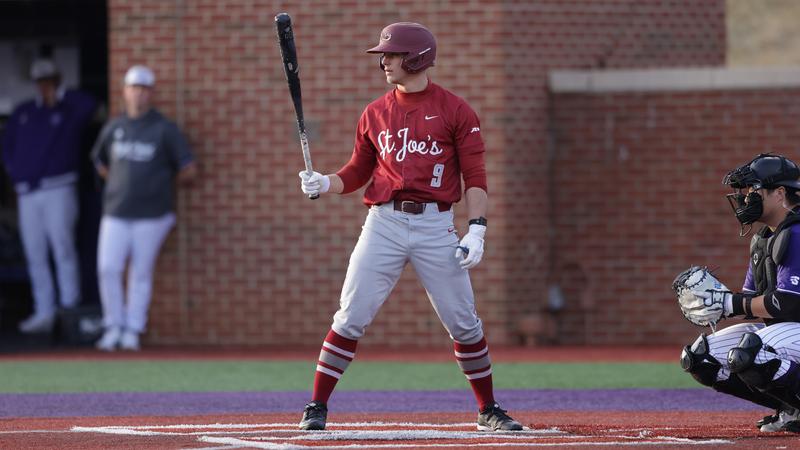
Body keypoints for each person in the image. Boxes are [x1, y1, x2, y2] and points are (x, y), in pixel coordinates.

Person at [295, 22, 523, 432]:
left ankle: (488, 408)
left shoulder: (456, 110)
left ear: (416, 58)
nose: (384, 61)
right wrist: (325, 182)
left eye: (393, 54)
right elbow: (357, 172)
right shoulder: (374, 112)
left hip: (436, 226)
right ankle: (316, 405)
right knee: (350, 316)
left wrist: (478, 229)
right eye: (385, 54)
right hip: (383, 222)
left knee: (464, 321)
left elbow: (475, 177)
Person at [680, 153, 800, 433]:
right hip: (792, 329)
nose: (746, 199)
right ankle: (791, 408)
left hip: (794, 321)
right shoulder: (765, 239)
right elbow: (750, 303)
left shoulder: (796, 233)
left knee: (750, 352)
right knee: (701, 357)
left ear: (780, 193)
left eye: (754, 190)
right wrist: (716, 302)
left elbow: (787, 304)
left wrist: (729, 302)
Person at [90, 65, 196, 351]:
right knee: (108, 268)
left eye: (143, 88)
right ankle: (113, 326)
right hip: (115, 211)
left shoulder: (164, 128)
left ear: (151, 93)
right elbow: (99, 162)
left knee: (140, 272)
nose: (138, 93)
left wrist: (158, 183)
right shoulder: (115, 126)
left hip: (153, 215)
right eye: (133, 87)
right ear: (124, 91)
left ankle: (132, 330)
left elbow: (188, 169)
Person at [1, 58, 97, 333]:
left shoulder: (69, 109)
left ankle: (69, 309)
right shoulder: (24, 111)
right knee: (35, 252)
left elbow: (90, 105)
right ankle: (44, 310)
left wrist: (62, 92)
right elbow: (7, 147)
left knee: (63, 247)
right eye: (41, 82)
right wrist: (16, 172)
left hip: (59, 187)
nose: (45, 87)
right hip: (28, 191)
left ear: (57, 81)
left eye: (50, 81)